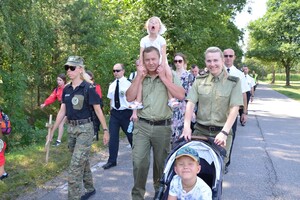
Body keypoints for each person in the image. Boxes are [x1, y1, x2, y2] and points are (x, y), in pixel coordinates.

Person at [126, 46, 185, 200]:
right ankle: (137, 196)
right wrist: (139, 77)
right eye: (147, 60)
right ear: (143, 61)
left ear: (159, 59)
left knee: (161, 166)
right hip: (142, 126)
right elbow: (129, 97)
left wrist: (164, 78)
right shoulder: (140, 75)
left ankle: (159, 195)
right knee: (139, 163)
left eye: (153, 59)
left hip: (162, 127)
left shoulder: (169, 74)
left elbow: (180, 94)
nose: (151, 63)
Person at [49, 56, 109, 200]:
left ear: (80, 69)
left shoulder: (89, 88)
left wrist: (106, 131)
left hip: (85, 129)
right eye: (67, 68)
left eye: (72, 68)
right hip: (71, 130)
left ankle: (74, 197)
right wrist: (52, 131)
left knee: (75, 167)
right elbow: (62, 111)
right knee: (82, 160)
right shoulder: (67, 89)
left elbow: (98, 110)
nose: (68, 71)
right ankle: (89, 188)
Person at [181, 47, 243, 174]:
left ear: (222, 60)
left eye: (215, 60)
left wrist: (224, 132)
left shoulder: (234, 82)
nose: (212, 64)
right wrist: (186, 126)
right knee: (196, 171)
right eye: (209, 61)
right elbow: (190, 103)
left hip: (221, 134)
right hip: (200, 132)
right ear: (205, 62)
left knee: (216, 172)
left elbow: (235, 108)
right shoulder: (199, 81)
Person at [132, 16, 176, 109]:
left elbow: (163, 54)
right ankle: (138, 101)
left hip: (161, 62)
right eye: (151, 22)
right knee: (140, 77)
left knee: (169, 74)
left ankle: (171, 99)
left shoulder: (161, 40)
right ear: (148, 26)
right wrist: (141, 65)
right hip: (147, 63)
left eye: (155, 22)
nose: (153, 24)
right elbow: (141, 54)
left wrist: (163, 65)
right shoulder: (144, 40)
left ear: (159, 27)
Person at [102, 63, 134, 170]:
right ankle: (112, 160)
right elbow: (111, 99)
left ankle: (138, 157)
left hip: (127, 113)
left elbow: (134, 99)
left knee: (131, 136)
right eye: (114, 71)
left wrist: (134, 113)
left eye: (118, 70)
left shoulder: (129, 84)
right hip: (115, 113)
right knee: (113, 137)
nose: (115, 73)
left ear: (123, 71)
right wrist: (111, 110)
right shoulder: (112, 85)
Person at [223, 48, 250, 172]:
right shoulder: (216, 70)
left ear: (234, 57)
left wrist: (244, 112)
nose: (228, 58)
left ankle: (226, 162)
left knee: (229, 137)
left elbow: (244, 94)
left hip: (232, 113)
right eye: (225, 55)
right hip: (217, 111)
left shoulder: (239, 74)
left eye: (230, 56)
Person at [171, 53, 195, 146]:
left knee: (183, 136)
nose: (177, 63)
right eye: (175, 61)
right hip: (172, 107)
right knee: (172, 135)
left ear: (184, 62)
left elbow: (192, 94)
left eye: (180, 61)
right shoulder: (170, 75)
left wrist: (192, 110)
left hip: (184, 108)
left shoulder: (189, 76)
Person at [40, 73, 67, 146]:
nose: (58, 82)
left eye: (60, 80)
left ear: (64, 81)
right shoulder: (57, 90)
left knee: (62, 123)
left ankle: (60, 140)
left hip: (69, 106)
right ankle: (58, 140)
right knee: (61, 123)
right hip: (62, 106)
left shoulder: (68, 88)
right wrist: (45, 103)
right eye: (57, 80)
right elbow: (51, 97)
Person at [86, 70, 104, 141]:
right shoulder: (84, 85)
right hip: (88, 106)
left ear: (91, 77)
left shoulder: (96, 86)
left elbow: (99, 96)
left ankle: (95, 133)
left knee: (96, 120)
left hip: (96, 104)